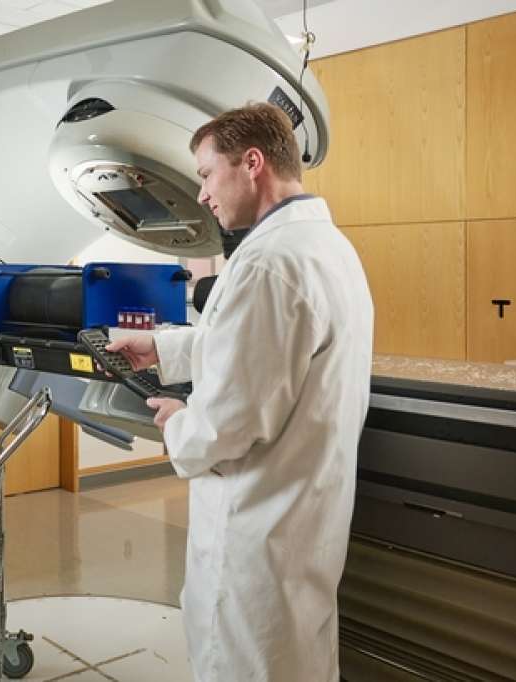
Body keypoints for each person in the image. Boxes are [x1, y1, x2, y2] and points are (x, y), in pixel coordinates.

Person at [107, 103, 374, 681]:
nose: (202, 194)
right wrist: (165, 347)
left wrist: (178, 420)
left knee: (245, 663)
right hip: (302, 517)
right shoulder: (325, 249)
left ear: (252, 163)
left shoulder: (268, 265)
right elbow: (261, 349)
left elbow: (230, 422)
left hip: (257, 527)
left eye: (206, 174)